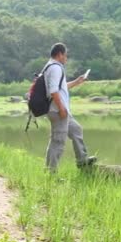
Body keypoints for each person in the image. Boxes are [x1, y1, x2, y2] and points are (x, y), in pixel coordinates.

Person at [43, 43, 96, 172]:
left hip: (60, 110)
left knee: (76, 130)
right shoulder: (56, 68)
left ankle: (82, 160)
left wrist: (77, 81)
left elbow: (61, 87)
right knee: (58, 142)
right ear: (60, 54)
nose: (67, 58)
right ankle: (51, 173)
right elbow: (53, 90)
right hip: (58, 110)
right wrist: (61, 109)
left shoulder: (50, 66)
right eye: (66, 55)